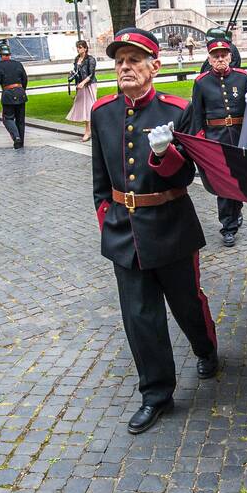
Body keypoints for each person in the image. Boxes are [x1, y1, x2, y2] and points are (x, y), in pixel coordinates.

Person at [91, 27, 219, 434]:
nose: (124, 68)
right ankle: (156, 394)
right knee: (140, 316)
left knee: (186, 304)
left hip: (170, 225)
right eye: (119, 62)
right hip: (123, 230)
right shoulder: (103, 112)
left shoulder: (177, 110)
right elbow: (99, 177)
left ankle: (206, 348)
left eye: (133, 61)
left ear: (154, 66)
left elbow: (189, 173)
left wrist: (167, 155)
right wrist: (107, 217)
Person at [191, 37, 247, 246]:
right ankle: (228, 226)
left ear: (230, 57)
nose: (220, 59)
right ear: (209, 59)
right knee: (223, 182)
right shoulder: (201, 82)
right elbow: (197, 113)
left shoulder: (243, 78)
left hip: (239, 135)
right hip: (215, 138)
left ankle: (236, 211)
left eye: (223, 56)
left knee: (240, 179)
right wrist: (200, 137)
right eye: (215, 56)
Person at [0, 42, 28, 149]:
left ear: (0, 55)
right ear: (9, 54)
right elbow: (25, 79)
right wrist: (22, 89)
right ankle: (21, 142)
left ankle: (16, 137)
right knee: (20, 120)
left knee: (8, 118)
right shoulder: (18, 64)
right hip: (20, 93)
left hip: (8, 94)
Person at [67, 40, 97, 141]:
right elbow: (76, 71)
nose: (78, 49)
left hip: (89, 85)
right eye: (77, 47)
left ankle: (88, 132)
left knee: (89, 107)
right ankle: (90, 130)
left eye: (80, 47)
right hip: (80, 86)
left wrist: (83, 83)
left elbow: (91, 74)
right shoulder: (77, 59)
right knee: (83, 108)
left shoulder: (90, 59)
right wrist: (71, 75)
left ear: (85, 48)